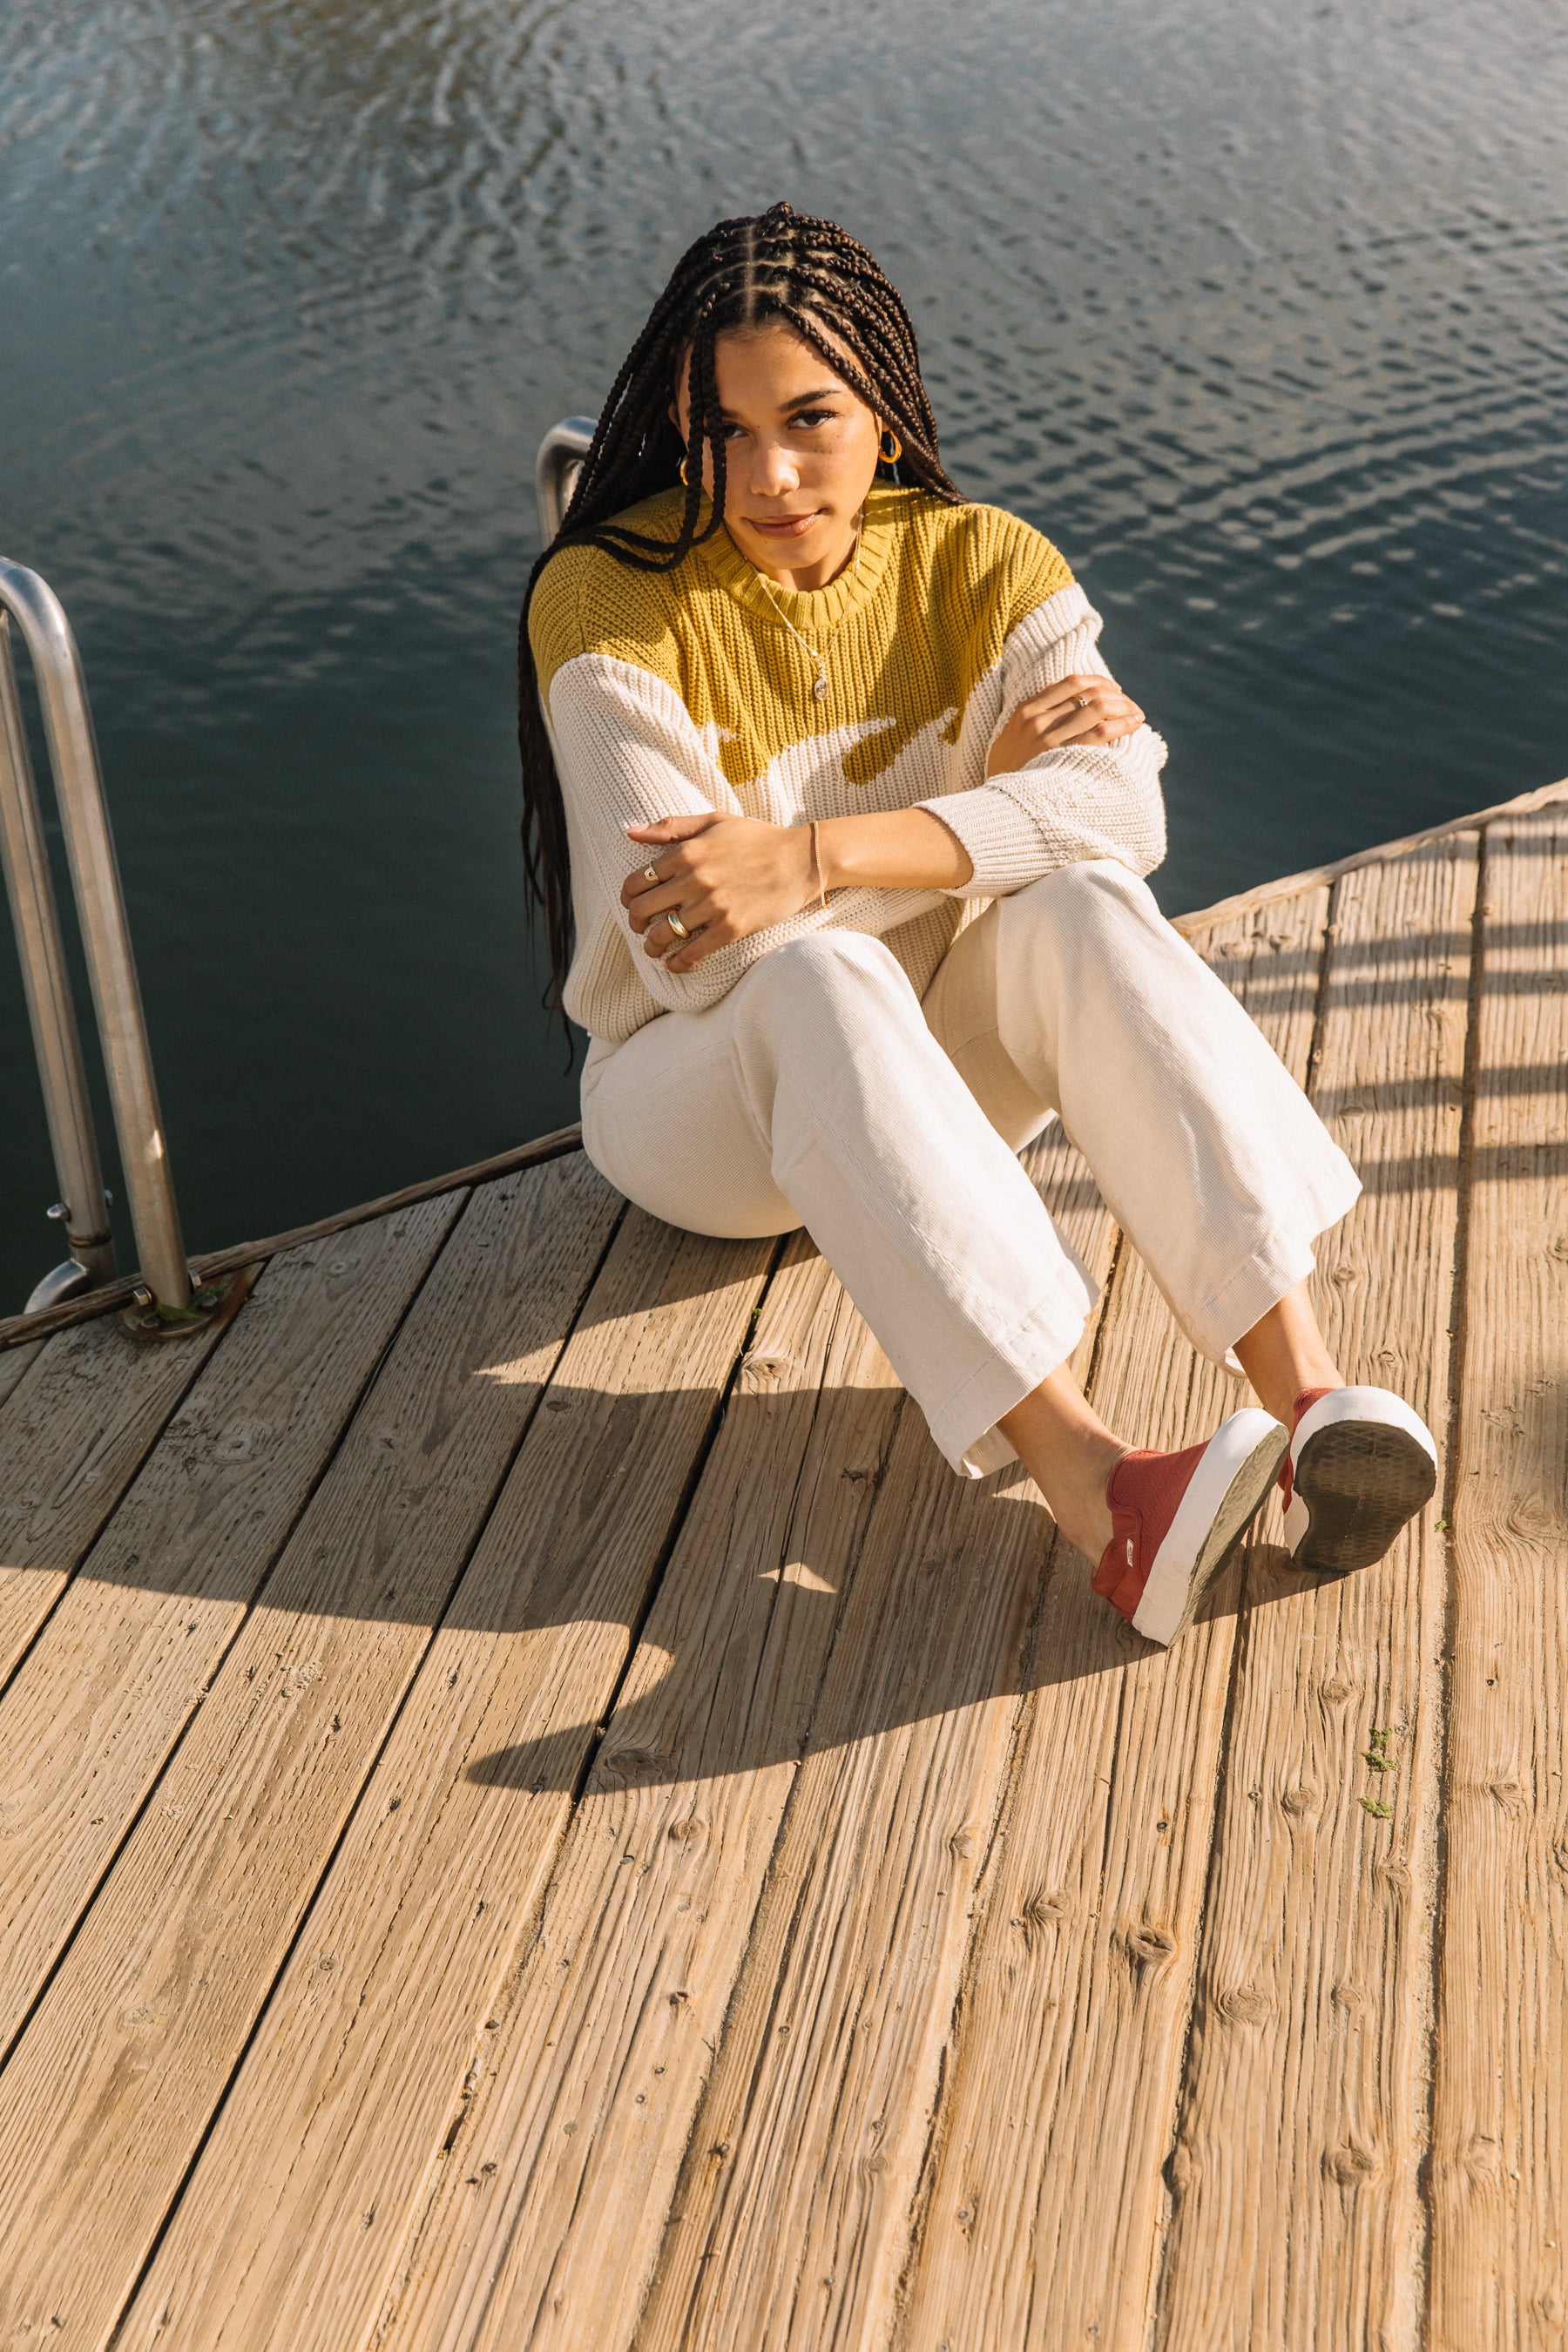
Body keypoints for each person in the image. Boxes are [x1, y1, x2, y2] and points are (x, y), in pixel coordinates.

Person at [518, 201, 1436, 1646]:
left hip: (929, 1075)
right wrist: (982, 813)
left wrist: (812, 852)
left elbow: (1123, 813)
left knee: (1082, 900)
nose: (767, 476)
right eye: (723, 433)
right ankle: (1102, 1493)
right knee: (819, 967)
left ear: (883, 411)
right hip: (697, 1113)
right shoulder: (606, 603)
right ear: (682, 434)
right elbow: (709, 952)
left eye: (810, 419)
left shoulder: (986, 563)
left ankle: (1309, 1402)